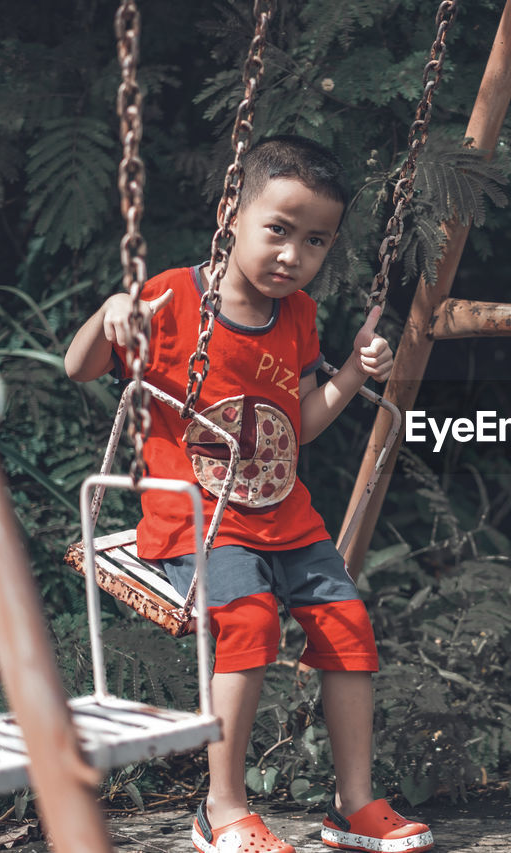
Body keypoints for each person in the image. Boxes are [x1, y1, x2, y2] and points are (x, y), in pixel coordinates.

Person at [65, 136, 432, 853]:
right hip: (197, 519)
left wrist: (355, 371)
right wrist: (110, 311)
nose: (293, 254)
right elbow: (80, 367)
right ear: (232, 214)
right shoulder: (170, 299)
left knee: (349, 626)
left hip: (284, 515)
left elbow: (296, 426)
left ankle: (353, 803)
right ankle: (222, 806)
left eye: (315, 240)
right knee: (250, 622)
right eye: (278, 230)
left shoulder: (296, 317)